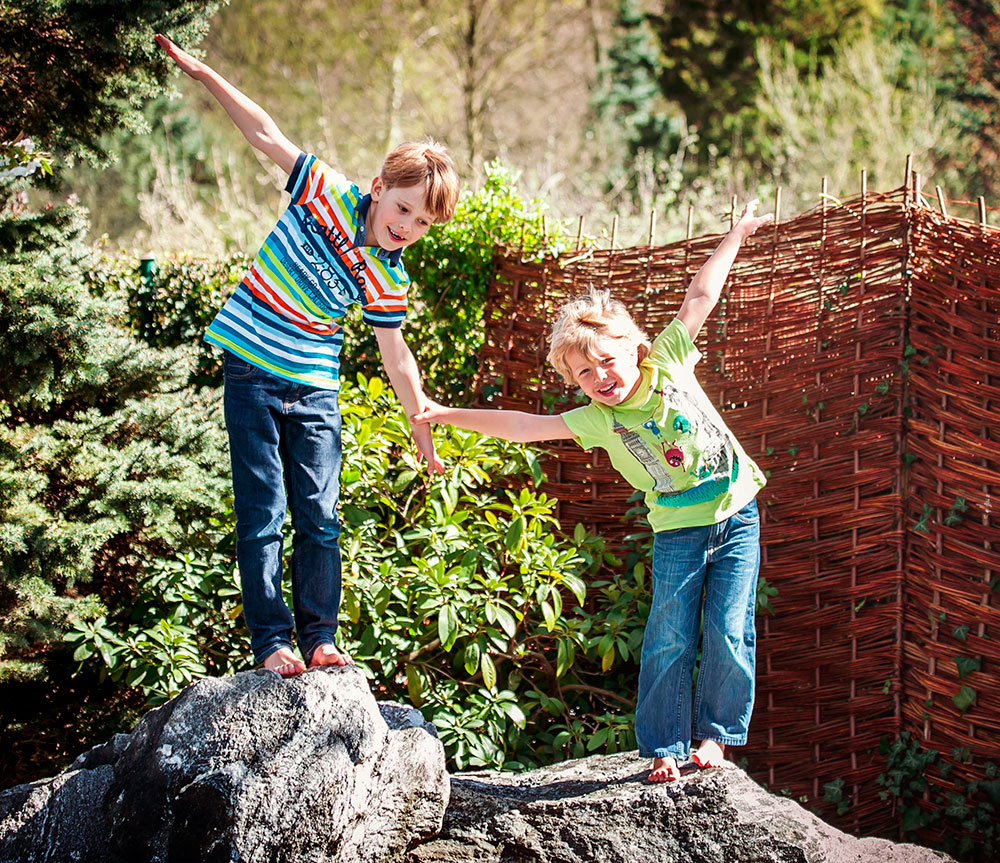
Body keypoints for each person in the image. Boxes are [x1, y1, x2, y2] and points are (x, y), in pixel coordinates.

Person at [411, 201, 772, 781]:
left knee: (729, 629)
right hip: (678, 529)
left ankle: (715, 738)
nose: (600, 377)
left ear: (634, 348)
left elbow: (701, 296)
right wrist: (448, 413)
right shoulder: (597, 420)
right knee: (669, 635)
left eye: (606, 361)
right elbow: (525, 425)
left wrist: (737, 235)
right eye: (585, 373)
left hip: (737, 515)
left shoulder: (671, 361)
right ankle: (664, 746)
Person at [155, 35, 459, 678]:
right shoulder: (322, 192)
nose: (406, 227)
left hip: (314, 388)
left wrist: (421, 422)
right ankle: (271, 642)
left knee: (320, 514)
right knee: (262, 511)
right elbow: (266, 134)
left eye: (423, 224)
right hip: (252, 370)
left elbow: (396, 354)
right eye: (403, 209)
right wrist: (206, 74)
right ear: (378, 188)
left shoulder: (390, 278)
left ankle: (320, 636)